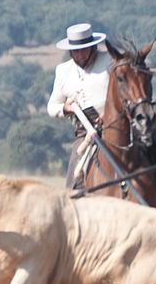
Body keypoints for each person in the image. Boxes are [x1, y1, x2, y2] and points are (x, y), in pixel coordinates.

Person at [47, 22, 112, 190]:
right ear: (70, 51)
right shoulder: (62, 70)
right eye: (76, 51)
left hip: (114, 123)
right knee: (73, 181)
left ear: (93, 47)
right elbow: (52, 106)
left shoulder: (110, 60)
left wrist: (110, 113)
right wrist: (66, 108)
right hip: (85, 131)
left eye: (84, 49)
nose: (80, 54)